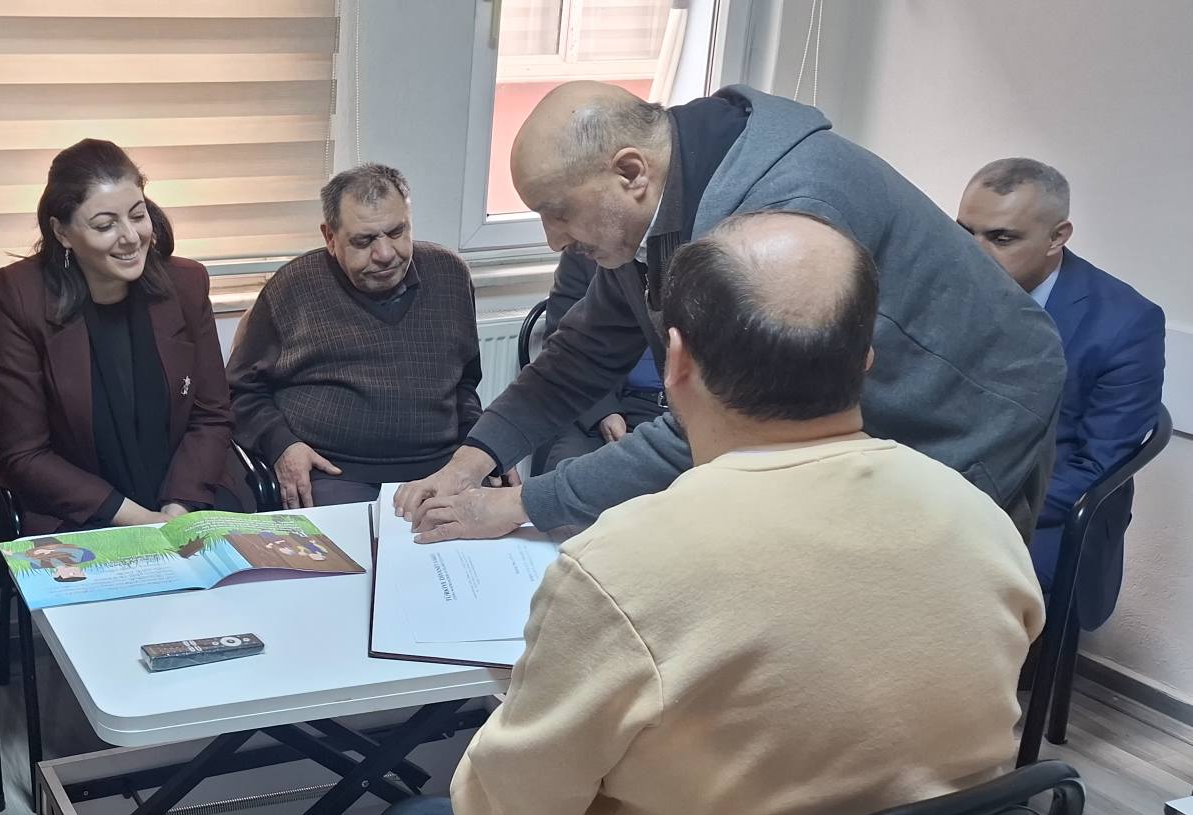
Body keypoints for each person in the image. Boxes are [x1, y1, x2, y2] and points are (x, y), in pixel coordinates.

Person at [363, 211, 1043, 815]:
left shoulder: (622, 566)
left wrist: (523, 703)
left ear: (677, 362)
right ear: (867, 359)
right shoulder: (983, 522)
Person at [394, 82, 1064, 542]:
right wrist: (470, 462)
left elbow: (720, 422)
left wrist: (519, 504)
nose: (553, 239)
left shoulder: (782, 222)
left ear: (631, 173)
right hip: (856, 431)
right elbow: (580, 356)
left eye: (558, 212)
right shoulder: (658, 204)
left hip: (971, 421)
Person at [0, 139, 234, 535]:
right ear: (62, 232)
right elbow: (24, 453)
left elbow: (211, 415)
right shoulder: (22, 295)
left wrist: (177, 508)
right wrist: (143, 522)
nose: (131, 237)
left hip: (183, 498)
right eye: (105, 225)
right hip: (78, 514)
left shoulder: (186, 284)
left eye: (138, 215)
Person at [957, 157, 1165, 633]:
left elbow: (1098, 464)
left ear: (1057, 237)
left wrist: (975, 508)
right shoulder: (948, 286)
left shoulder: (1127, 323)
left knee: (944, 584)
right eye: (966, 232)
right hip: (950, 482)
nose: (974, 253)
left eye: (1001, 238)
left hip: (1047, 508)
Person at [225, 164, 483, 507]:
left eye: (397, 232)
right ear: (330, 238)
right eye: (364, 240)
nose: (385, 254)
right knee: (348, 543)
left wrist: (481, 447)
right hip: (332, 471)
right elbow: (241, 391)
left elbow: (465, 383)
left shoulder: (450, 274)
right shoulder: (293, 287)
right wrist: (283, 445)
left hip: (438, 468)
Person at [530, 252, 668, 474]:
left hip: (683, 408)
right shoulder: (581, 253)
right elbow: (565, 350)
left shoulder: (701, 248)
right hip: (605, 400)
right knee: (566, 467)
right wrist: (604, 412)